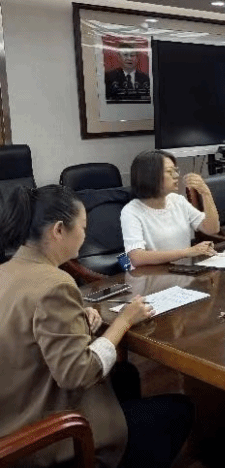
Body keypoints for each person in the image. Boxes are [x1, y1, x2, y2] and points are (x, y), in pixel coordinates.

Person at [0, 185, 193, 467]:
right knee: (180, 409)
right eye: (82, 227)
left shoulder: (6, 271)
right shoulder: (55, 284)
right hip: (45, 438)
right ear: (58, 230)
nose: (85, 235)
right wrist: (124, 320)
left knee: (125, 375)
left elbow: (27, 326)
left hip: (11, 410)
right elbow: (77, 374)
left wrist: (77, 318)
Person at [121, 149, 220, 266]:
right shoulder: (131, 211)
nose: (176, 176)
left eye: (176, 171)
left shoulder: (178, 200)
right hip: (153, 274)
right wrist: (186, 252)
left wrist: (206, 193)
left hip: (183, 271)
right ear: (151, 177)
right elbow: (136, 257)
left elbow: (212, 229)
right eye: (169, 172)